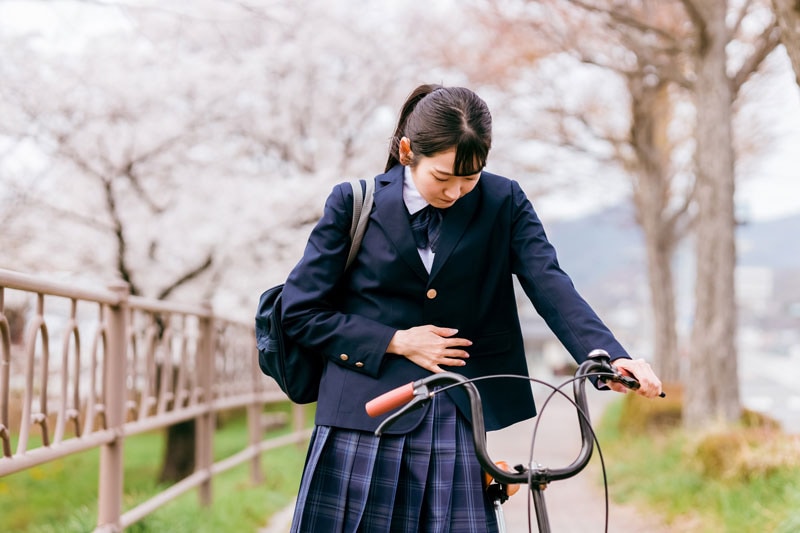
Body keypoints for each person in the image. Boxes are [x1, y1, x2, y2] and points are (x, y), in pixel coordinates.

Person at [280, 83, 662, 532]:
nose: (457, 191)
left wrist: (609, 356)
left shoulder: (504, 202)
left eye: (471, 177)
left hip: (455, 409)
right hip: (362, 415)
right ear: (407, 152)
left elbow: (550, 283)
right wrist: (396, 341)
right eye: (442, 178)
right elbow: (299, 312)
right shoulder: (353, 203)